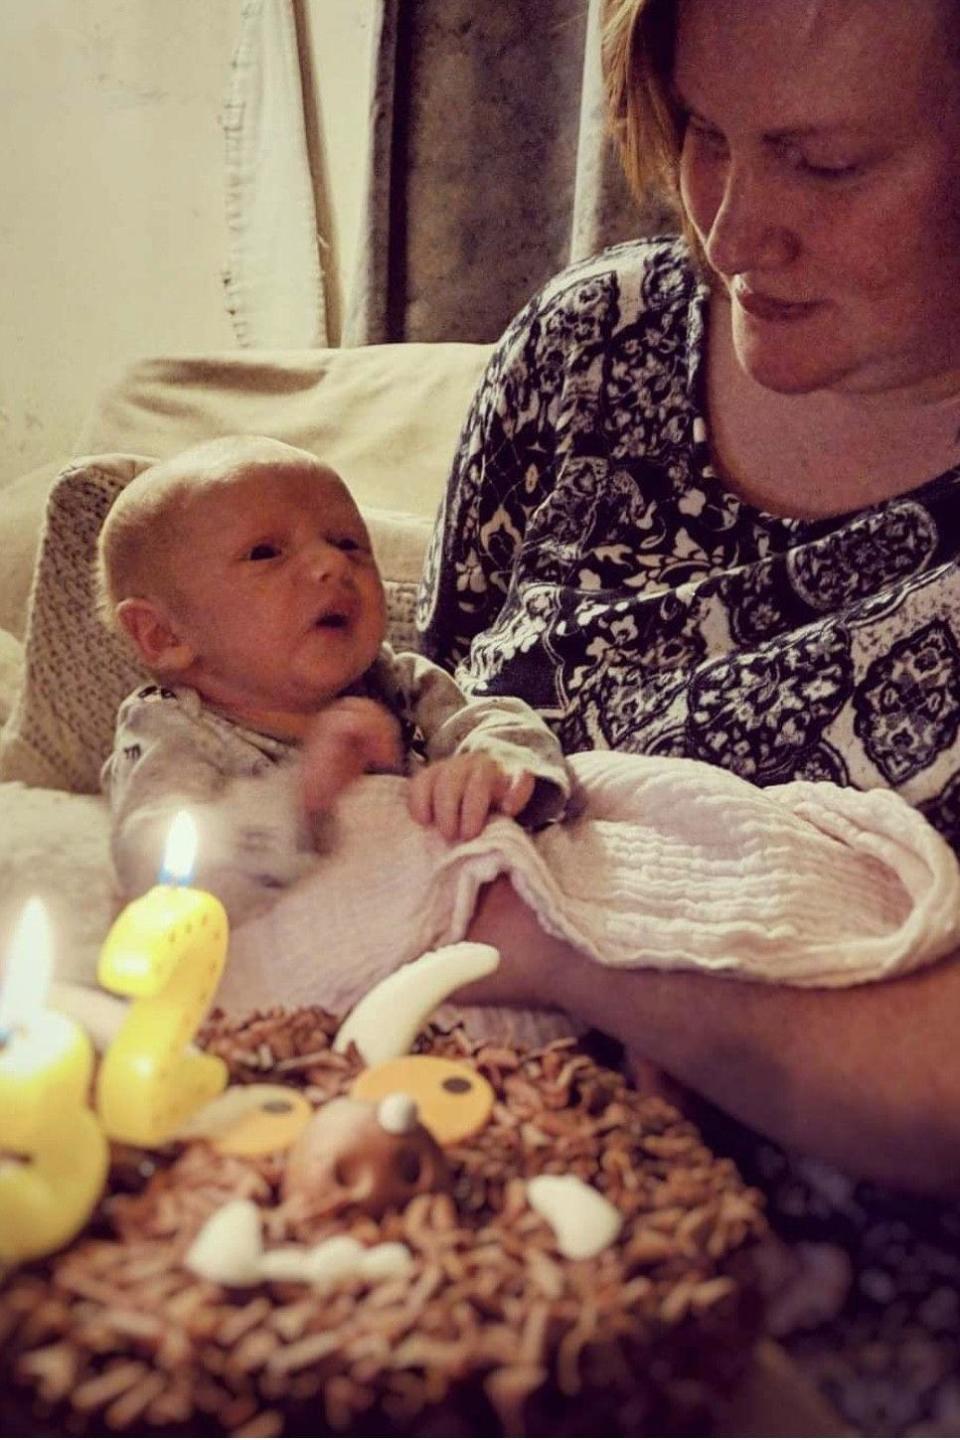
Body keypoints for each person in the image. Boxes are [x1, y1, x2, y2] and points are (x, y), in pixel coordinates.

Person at [417, 0, 960, 1199]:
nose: (728, 227)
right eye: (707, 130)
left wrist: (565, 945)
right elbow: (420, 707)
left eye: (824, 163)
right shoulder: (589, 347)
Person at [96, 434, 572, 920]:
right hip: (296, 933)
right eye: (265, 552)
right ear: (163, 634)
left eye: (348, 543)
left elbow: (490, 719)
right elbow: (150, 866)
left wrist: (497, 764)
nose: (333, 564)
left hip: (427, 890)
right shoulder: (170, 729)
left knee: (616, 780)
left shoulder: (393, 678)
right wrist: (300, 797)